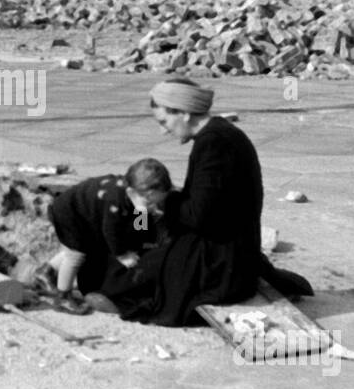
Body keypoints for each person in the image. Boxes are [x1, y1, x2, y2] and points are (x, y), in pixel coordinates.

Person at [101, 76, 312, 326]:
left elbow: (194, 216)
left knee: (140, 269)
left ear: (184, 113)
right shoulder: (218, 136)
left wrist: (161, 205)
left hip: (223, 257)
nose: (163, 130)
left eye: (164, 121)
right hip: (226, 244)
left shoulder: (214, 144)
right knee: (146, 246)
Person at [39, 158, 172, 314]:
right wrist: (122, 255)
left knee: (82, 247)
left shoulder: (134, 196)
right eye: (149, 203)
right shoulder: (115, 203)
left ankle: (46, 271)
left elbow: (139, 225)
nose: (152, 207)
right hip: (69, 215)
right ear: (131, 192)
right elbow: (111, 233)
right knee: (76, 254)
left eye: (157, 203)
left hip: (86, 214)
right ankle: (63, 295)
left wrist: (144, 216)